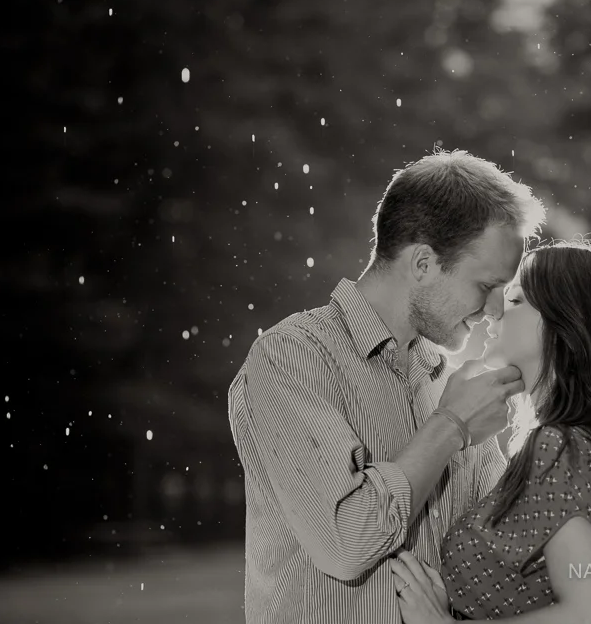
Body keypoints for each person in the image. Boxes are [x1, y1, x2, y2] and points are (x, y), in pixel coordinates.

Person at [227, 149, 546, 623]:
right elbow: (347, 541)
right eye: (485, 286)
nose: (495, 310)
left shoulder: (447, 379)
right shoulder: (291, 358)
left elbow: (506, 556)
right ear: (422, 263)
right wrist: (450, 426)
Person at [388, 239, 591, 623]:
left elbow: (588, 616)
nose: (495, 311)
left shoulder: (561, 447)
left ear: (568, 327)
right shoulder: (569, 447)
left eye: (517, 300)